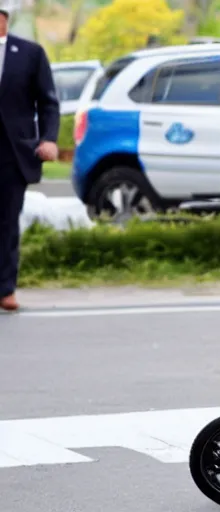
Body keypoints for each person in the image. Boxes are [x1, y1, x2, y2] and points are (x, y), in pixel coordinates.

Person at [0, 4, 60, 312]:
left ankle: (5, 289)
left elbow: (48, 102)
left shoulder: (29, 53)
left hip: (12, 154)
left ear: (4, 18)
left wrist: (48, 138)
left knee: (8, 222)